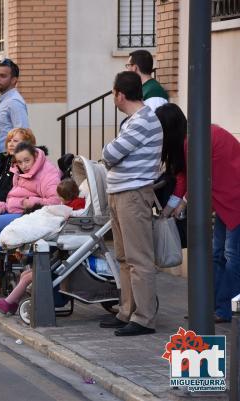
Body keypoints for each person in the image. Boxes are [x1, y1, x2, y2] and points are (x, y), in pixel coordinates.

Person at [155, 104, 240, 323]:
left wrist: (181, 203)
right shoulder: (191, 139)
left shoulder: (195, 141)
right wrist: (167, 211)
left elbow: (198, 178)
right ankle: (211, 308)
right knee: (219, 255)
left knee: (230, 256)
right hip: (225, 201)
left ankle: (224, 309)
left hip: (234, 199)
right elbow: (185, 177)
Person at [99, 71, 163, 336]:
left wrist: (110, 155)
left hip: (133, 195)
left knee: (139, 259)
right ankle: (127, 310)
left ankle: (144, 318)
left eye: (113, 93)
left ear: (120, 94)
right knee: (124, 258)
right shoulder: (133, 121)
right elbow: (113, 157)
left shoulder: (143, 121)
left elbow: (109, 153)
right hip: (122, 194)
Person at [0, 141, 60, 283]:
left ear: (35, 155)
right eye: (20, 162)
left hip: (34, 214)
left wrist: (33, 201)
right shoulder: (18, 170)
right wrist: (2, 206)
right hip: (18, 210)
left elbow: (56, 201)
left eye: (27, 161)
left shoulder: (48, 172)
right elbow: (14, 196)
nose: (24, 166)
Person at [0, 178, 86, 314]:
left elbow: (65, 214)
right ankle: (12, 303)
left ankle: (8, 303)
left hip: (61, 243)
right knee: (25, 275)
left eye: (61, 198)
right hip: (61, 251)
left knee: (28, 276)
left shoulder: (73, 208)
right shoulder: (74, 205)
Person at [0, 58, 29, 158]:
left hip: (9, 162)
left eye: (2, 76)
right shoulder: (5, 99)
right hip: (0, 160)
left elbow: (23, 135)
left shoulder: (14, 102)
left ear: (14, 80)